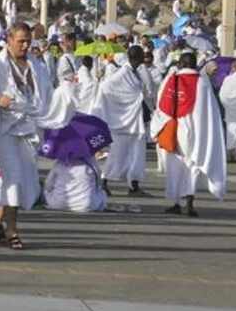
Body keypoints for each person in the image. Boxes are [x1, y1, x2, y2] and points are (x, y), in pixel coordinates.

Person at [0, 22, 75, 250]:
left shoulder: (36, 66)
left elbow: (45, 97)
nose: (25, 46)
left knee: (26, 180)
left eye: (28, 41)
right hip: (4, 128)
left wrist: (66, 90)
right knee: (13, 177)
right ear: (9, 39)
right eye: (21, 41)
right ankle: (12, 230)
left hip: (27, 128)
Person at [150, 51, 226, 216]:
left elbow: (161, 106)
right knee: (192, 165)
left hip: (173, 130)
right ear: (194, 65)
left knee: (174, 165)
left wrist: (157, 128)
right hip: (194, 132)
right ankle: (189, 203)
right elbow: (208, 113)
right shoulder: (202, 84)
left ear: (181, 64)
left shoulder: (170, 80)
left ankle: (175, 203)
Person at [96, 44, 150, 196]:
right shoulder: (123, 73)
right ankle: (104, 182)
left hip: (134, 121)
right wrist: (122, 106)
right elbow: (106, 88)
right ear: (137, 57)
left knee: (137, 155)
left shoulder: (135, 72)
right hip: (123, 122)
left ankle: (134, 185)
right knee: (117, 155)